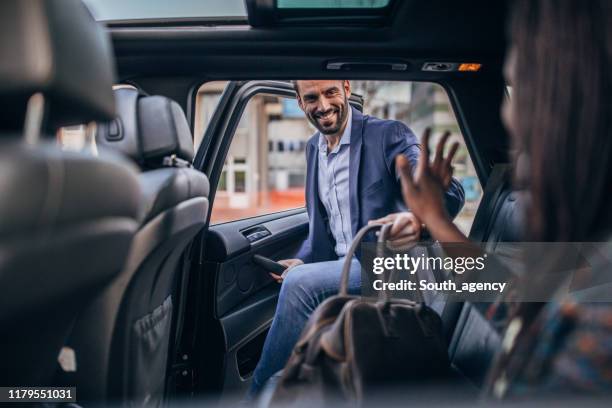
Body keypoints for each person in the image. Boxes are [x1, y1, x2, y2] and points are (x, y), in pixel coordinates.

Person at [394, 0, 612, 398]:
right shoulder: (585, 271)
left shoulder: (594, 336)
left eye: (520, 89)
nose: (510, 118)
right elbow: (511, 302)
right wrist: (436, 220)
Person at [248, 79, 465, 396]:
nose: (322, 106)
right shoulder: (314, 149)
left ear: (347, 88)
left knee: (300, 284)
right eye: (311, 98)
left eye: (330, 92)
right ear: (299, 101)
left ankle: (257, 397)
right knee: (300, 276)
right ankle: (307, 385)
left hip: (392, 267)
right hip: (347, 267)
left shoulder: (388, 135)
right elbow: (326, 227)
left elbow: (447, 192)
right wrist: (306, 261)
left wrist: (417, 219)